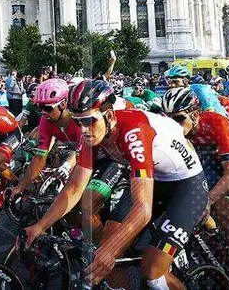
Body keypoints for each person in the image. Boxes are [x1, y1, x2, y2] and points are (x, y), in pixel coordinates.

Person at [24, 80, 206, 289]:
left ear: (109, 116)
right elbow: (74, 188)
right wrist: (40, 226)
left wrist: (110, 251)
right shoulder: (93, 132)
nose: (84, 130)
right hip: (155, 178)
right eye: (78, 122)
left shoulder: (134, 131)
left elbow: (143, 209)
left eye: (89, 121)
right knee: (107, 252)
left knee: (152, 271)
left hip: (186, 186)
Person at [161, 87, 229, 283]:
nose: (174, 126)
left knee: (224, 211)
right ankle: (215, 237)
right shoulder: (175, 131)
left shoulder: (216, 122)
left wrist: (209, 200)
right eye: (169, 120)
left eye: (179, 119)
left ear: (195, 114)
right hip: (214, 161)